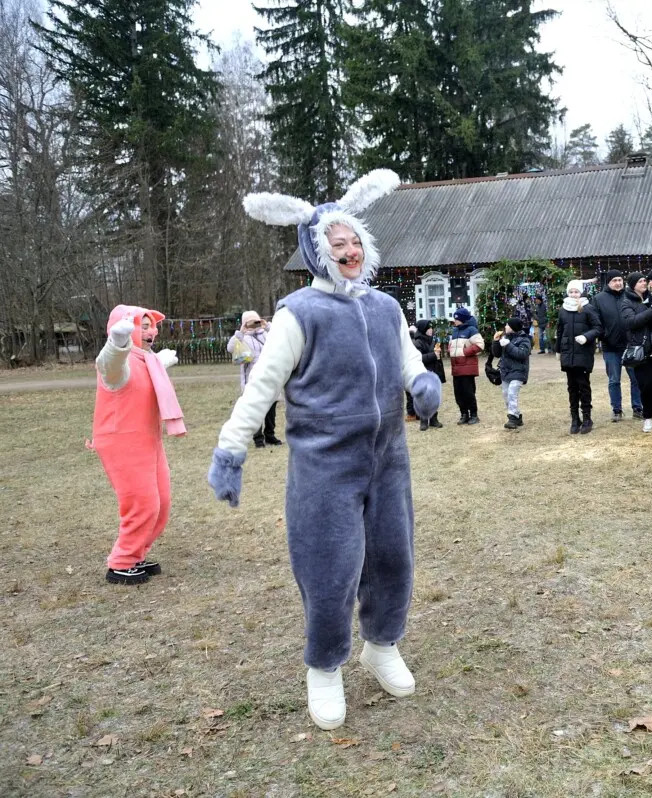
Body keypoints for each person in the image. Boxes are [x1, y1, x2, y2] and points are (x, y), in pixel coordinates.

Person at [207, 169, 441, 731]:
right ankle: (325, 666)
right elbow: (261, 387)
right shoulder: (298, 313)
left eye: (355, 240)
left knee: (393, 558)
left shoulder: (386, 306)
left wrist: (422, 382)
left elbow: (406, 355)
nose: (350, 250)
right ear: (316, 251)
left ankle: (382, 644)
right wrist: (230, 451)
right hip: (324, 467)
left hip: (388, 459)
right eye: (337, 244)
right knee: (331, 569)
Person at [92, 305, 185, 585]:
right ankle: (121, 562)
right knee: (142, 503)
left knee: (162, 503)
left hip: (148, 439)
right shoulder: (117, 363)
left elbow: (145, 372)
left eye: (151, 326)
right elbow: (110, 364)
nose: (152, 331)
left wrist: (160, 362)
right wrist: (117, 342)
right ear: (125, 327)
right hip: (121, 441)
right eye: (143, 326)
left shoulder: (146, 360)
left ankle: (135, 555)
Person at [622, 273, 652, 432]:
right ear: (633, 284)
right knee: (645, 385)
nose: (644, 283)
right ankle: (648, 417)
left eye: (645, 280)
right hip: (640, 351)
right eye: (640, 281)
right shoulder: (627, 302)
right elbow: (631, 322)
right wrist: (651, 311)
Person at [592, 270, 642, 421]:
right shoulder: (599, 299)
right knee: (614, 380)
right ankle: (617, 409)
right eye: (614, 280)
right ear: (608, 282)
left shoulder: (630, 296)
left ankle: (637, 407)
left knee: (636, 379)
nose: (618, 283)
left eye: (620, 280)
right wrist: (603, 336)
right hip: (611, 347)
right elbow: (596, 321)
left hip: (631, 345)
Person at [227, 310, 281, 447]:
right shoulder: (242, 338)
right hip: (252, 379)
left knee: (271, 408)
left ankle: (270, 435)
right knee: (256, 409)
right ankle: (258, 438)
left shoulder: (266, 335)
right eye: (251, 322)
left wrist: (266, 325)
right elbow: (230, 348)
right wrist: (240, 332)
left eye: (256, 321)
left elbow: (280, 337)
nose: (254, 324)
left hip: (270, 377)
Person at [556, 279, 602, 434]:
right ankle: (575, 418)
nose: (573, 295)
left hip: (583, 354)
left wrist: (586, 337)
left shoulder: (588, 308)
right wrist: (558, 350)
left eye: (576, 292)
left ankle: (587, 418)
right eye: (571, 292)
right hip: (568, 354)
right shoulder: (563, 310)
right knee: (572, 388)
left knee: (583, 386)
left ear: (580, 293)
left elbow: (598, 328)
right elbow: (560, 331)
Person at [493, 317, 532, 430]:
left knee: (512, 393)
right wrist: (496, 342)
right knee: (506, 395)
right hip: (505, 371)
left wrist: (508, 345)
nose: (505, 327)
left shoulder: (524, 340)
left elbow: (522, 354)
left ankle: (512, 418)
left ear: (513, 327)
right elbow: (497, 354)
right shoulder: (505, 337)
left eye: (507, 325)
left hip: (519, 371)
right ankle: (517, 415)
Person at [447, 307, 485, 425]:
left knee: (469, 393)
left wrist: (464, 352)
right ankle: (464, 414)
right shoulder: (454, 331)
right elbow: (452, 345)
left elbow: (479, 345)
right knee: (458, 393)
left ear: (462, 319)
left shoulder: (471, 330)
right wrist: (450, 350)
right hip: (456, 367)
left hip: (467, 368)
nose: (455, 321)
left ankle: (474, 415)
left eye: (457, 318)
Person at [410, 320, 445, 430]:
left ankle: (434, 419)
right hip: (423, 372)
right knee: (423, 397)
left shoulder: (433, 340)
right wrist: (434, 355)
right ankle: (423, 420)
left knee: (434, 395)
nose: (431, 330)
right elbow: (419, 358)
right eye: (429, 328)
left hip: (434, 371)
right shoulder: (417, 342)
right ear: (424, 330)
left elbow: (436, 356)